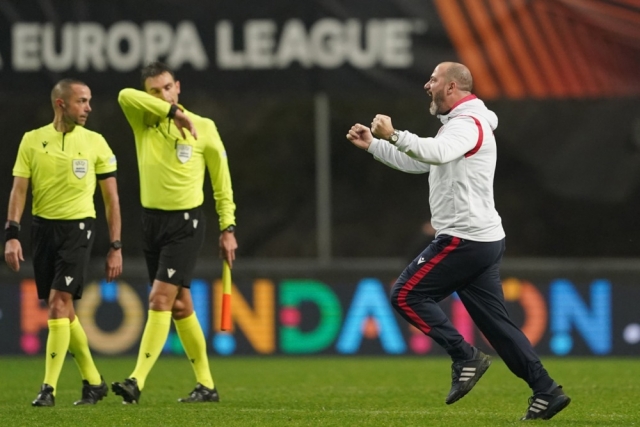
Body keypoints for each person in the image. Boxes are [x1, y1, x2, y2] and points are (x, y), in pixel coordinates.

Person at [346, 62, 571, 421]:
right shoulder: (460, 124)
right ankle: (546, 391)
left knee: (405, 295)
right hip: (481, 239)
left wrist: (394, 134)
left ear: (451, 87)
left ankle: (464, 356)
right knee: (498, 327)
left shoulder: (467, 123)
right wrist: (375, 145)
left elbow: (432, 153)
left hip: (464, 239)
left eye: (433, 79)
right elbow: (422, 163)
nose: (427, 85)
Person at [111, 62, 237, 404]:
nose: (164, 94)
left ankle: (136, 381)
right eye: (155, 91)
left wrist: (228, 227)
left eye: (168, 88)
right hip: (151, 224)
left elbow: (222, 183)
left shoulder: (204, 127)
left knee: (159, 300)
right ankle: (206, 386)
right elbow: (124, 95)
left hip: (185, 224)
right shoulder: (144, 121)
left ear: (178, 86)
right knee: (180, 305)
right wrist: (171, 113)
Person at [4, 78, 123, 407]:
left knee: (58, 303)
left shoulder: (96, 142)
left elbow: (111, 200)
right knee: (63, 310)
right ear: (61, 104)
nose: (88, 108)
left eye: (89, 101)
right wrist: (11, 235)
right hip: (43, 230)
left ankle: (48, 389)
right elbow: (19, 190)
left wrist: (116, 245)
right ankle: (94, 382)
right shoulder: (32, 140)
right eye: (81, 101)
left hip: (79, 229)